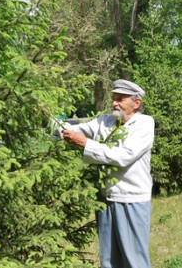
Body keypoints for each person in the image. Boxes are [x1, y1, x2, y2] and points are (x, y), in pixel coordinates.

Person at [61, 79, 155, 268]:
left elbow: (124, 156)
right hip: (106, 200)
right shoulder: (104, 121)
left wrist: (86, 143)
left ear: (136, 104)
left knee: (134, 260)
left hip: (132, 200)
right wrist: (52, 123)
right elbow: (74, 129)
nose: (114, 103)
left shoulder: (144, 124)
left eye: (120, 99)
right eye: (113, 98)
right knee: (109, 260)